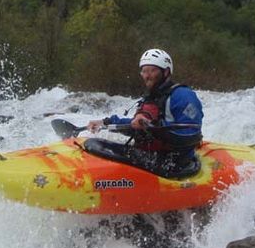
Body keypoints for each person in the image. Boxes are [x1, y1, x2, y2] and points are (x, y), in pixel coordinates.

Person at [85, 48, 204, 179]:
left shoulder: (183, 96)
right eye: (144, 71)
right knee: (95, 146)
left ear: (166, 72)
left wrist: (152, 126)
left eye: (152, 70)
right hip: (151, 155)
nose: (147, 75)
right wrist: (105, 122)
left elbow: (191, 134)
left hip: (174, 163)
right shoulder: (150, 98)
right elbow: (134, 125)